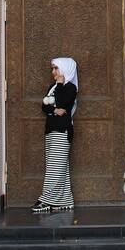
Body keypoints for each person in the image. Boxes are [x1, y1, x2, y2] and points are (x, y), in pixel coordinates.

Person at [33, 57, 77, 214]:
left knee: (54, 168)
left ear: (65, 69)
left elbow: (62, 101)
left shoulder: (70, 88)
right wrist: (54, 110)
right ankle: (65, 200)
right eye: (52, 69)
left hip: (62, 131)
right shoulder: (52, 87)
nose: (53, 72)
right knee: (59, 168)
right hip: (50, 130)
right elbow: (44, 107)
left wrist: (59, 85)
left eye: (56, 68)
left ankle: (46, 200)